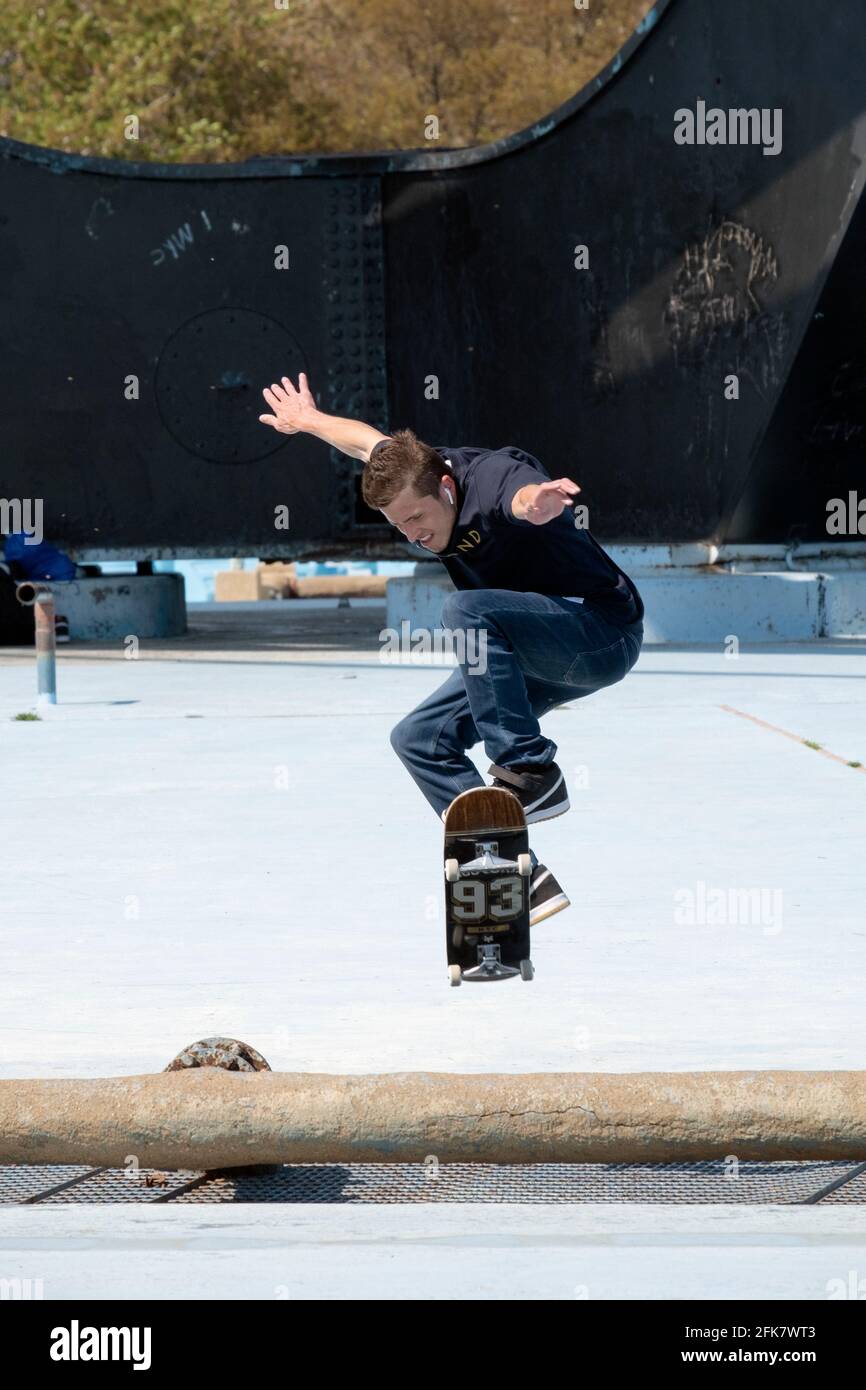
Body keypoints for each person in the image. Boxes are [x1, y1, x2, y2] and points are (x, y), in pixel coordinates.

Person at [260, 373, 644, 925]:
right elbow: (366, 443)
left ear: (445, 489)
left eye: (417, 519)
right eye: (398, 527)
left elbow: (521, 495)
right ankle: (514, 873)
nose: (412, 534)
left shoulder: (492, 482)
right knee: (419, 740)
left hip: (601, 633)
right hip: (535, 652)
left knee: (465, 611)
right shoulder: (415, 467)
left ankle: (532, 772)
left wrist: (538, 502)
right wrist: (310, 421)